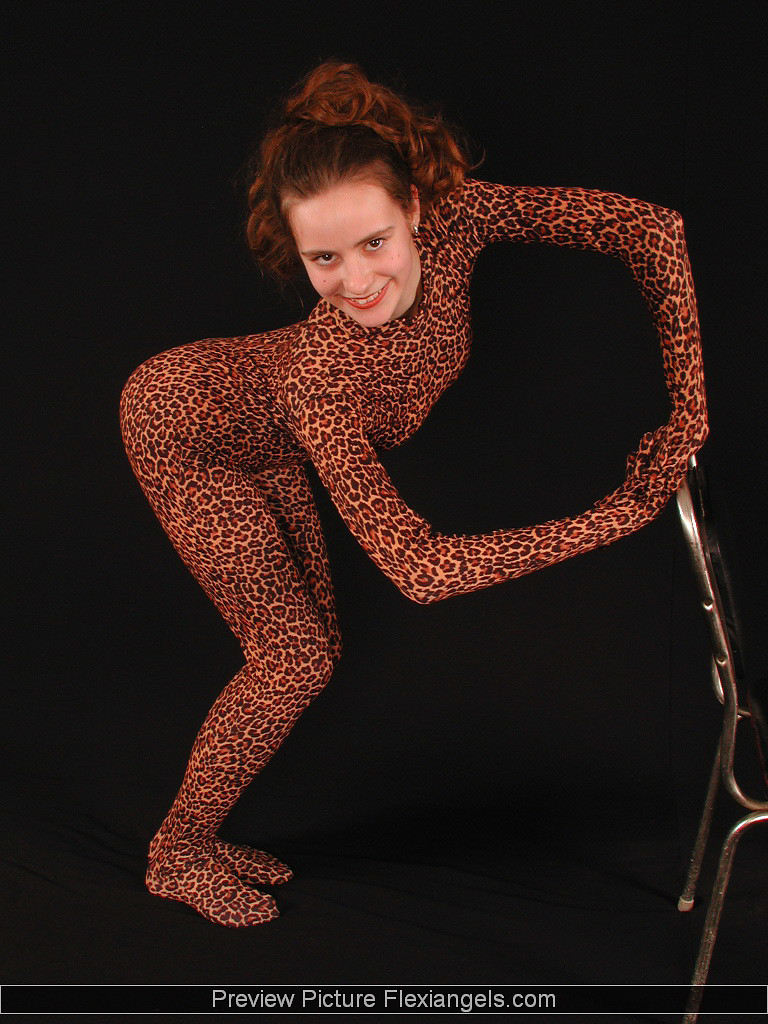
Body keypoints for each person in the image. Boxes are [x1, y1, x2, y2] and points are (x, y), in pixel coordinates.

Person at [119, 60, 708, 928]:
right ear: (296, 252)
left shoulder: (464, 217)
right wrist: (618, 514)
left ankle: (193, 843)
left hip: (259, 419)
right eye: (323, 258)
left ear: (418, 212)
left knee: (313, 651)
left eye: (374, 243)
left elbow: (652, 229)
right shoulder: (323, 378)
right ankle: (175, 855)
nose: (357, 281)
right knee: (293, 658)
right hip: (183, 427)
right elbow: (420, 570)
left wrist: (690, 409)